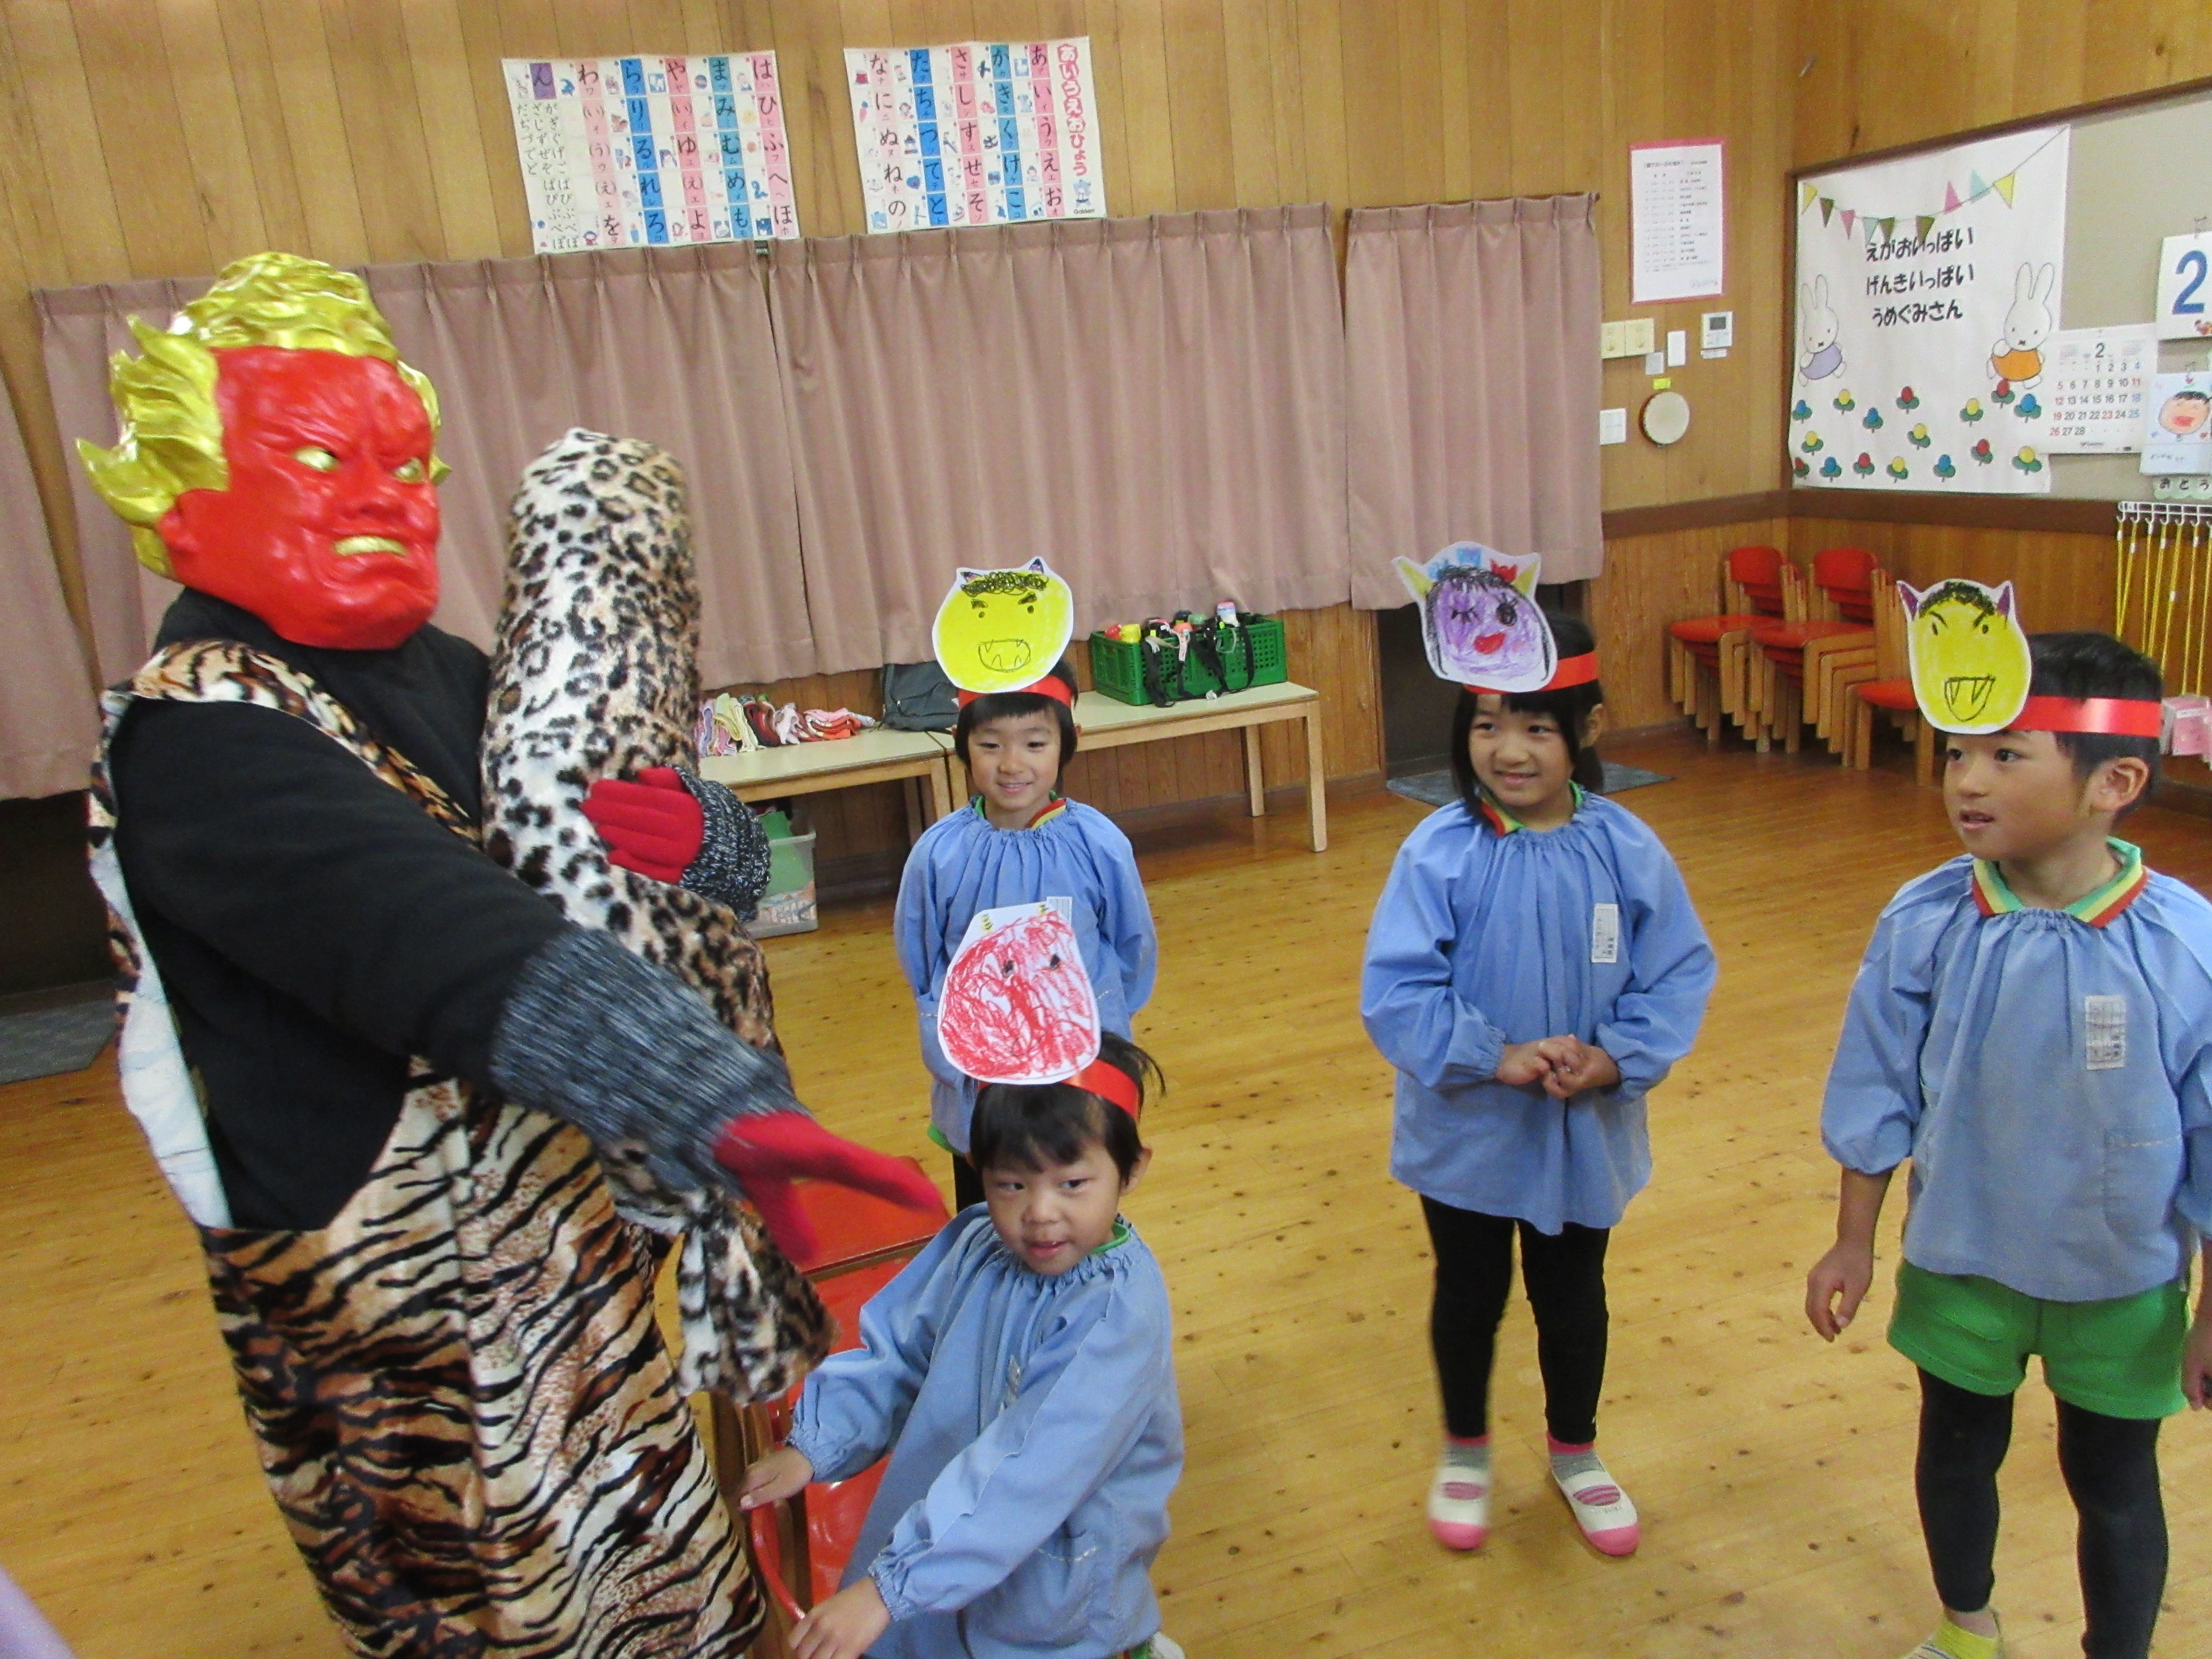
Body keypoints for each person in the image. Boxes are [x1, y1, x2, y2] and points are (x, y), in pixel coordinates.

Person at [80, 251, 932, 1655]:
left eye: (407, 464)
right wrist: (712, 1097)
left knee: (676, 1585)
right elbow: (444, 939)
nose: (383, 497)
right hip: (415, 1361)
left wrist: (713, 844)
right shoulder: (199, 736)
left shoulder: (458, 673)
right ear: (181, 492)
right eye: (319, 457)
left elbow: (672, 868)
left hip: (573, 1269)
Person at [1807, 632, 2212, 1659]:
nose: (1966, 781)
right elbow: (1874, 1083)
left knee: (2114, 1484)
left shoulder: (2183, 944)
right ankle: (1966, 1631)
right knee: (1953, 1454)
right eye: (1956, 753)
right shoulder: (1927, 918)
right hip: (1960, 1260)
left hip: (2119, 1282)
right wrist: (1852, 1240)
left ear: (2112, 781)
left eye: (2004, 755)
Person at [1361, 613, 1716, 1557]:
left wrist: (1618, 1055)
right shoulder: (1437, 851)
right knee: (1469, 1289)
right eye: (1486, 724)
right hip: (1468, 1126)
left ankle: (1575, 1450)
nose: (1508, 750)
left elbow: (1676, 969)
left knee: (1572, 1292)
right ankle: (1465, 1448)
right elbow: (1397, 990)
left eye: (1535, 726)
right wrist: (1494, 1053)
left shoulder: (1626, 847)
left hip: (1584, 1124)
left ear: (1587, 728)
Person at [739, 1034, 1185, 1659]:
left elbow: (1030, 1469)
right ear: (980, 1170)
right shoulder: (978, 1244)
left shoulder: (1115, 1317)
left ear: (1131, 1171)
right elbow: (899, 1352)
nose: (1040, 1212)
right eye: (1012, 1184)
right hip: (944, 1531)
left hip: (1043, 1565)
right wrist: (817, 1444)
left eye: (1073, 1183)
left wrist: (889, 1588)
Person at [894, 660, 1157, 1208]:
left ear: (1068, 740)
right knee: (988, 1203)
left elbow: (1132, 945)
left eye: (1035, 744)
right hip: (979, 1076)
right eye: (990, 745)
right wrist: (951, 1043)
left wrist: (1104, 1025)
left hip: (1081, 1067)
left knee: (1075, 1198)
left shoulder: (1098, 844)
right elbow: (921, 958)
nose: (1012, 764)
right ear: (961, 742)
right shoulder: (940, 853)